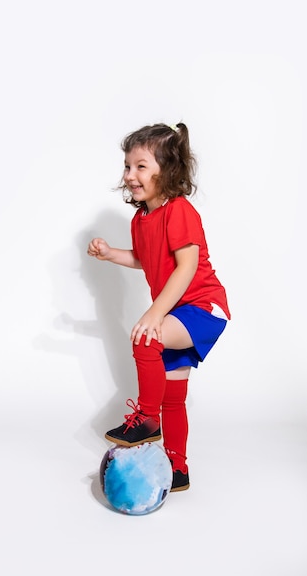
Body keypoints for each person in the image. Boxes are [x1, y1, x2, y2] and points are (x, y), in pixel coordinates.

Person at [87, 122, 230, 492]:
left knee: (145, 337)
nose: (130, 175)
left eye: (141, 166)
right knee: (174, 396)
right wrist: (110, 254)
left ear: (167, 171)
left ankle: (147, 421)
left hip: (203, 308)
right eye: (127, 166)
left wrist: (154, 314)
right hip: (177, 314)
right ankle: (177, 469)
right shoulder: (142, 219)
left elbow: (186, 266)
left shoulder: (179, 211)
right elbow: (144, 259)